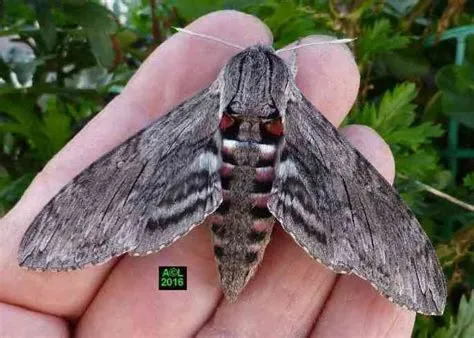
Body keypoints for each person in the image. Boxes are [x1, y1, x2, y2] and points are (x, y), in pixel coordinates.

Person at [0, 11, 414, 337]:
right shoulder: (300, 112)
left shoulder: (201, 108)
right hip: (247, 235)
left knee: (176, 277)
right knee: (173, 278)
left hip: (211, 242)